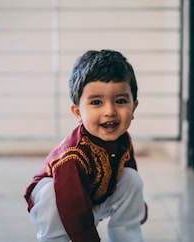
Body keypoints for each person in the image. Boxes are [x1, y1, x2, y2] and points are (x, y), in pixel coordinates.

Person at [24, 49, 148, 242]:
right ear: (78, 112)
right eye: (97, 102)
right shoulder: (73, 155)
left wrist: (138, 205)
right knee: (50, 192)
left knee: (131, 178)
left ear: (134, 107)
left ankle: (127, 237)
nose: (110, 111)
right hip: (61, 207)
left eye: (121, 101)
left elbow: (128, 166)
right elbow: (72, 207)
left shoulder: (122, 139)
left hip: (93, 198)